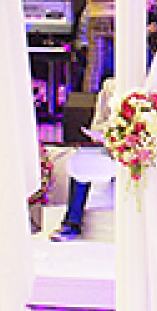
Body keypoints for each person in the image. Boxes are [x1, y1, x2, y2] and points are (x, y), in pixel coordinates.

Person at [52, 76, 117, 241]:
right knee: (82, 158)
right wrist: (109, 132)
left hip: (139, 148)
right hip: (110, 145)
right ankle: (71, 223)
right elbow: (97, 123)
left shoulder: (151, 83)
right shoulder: (110, 86)